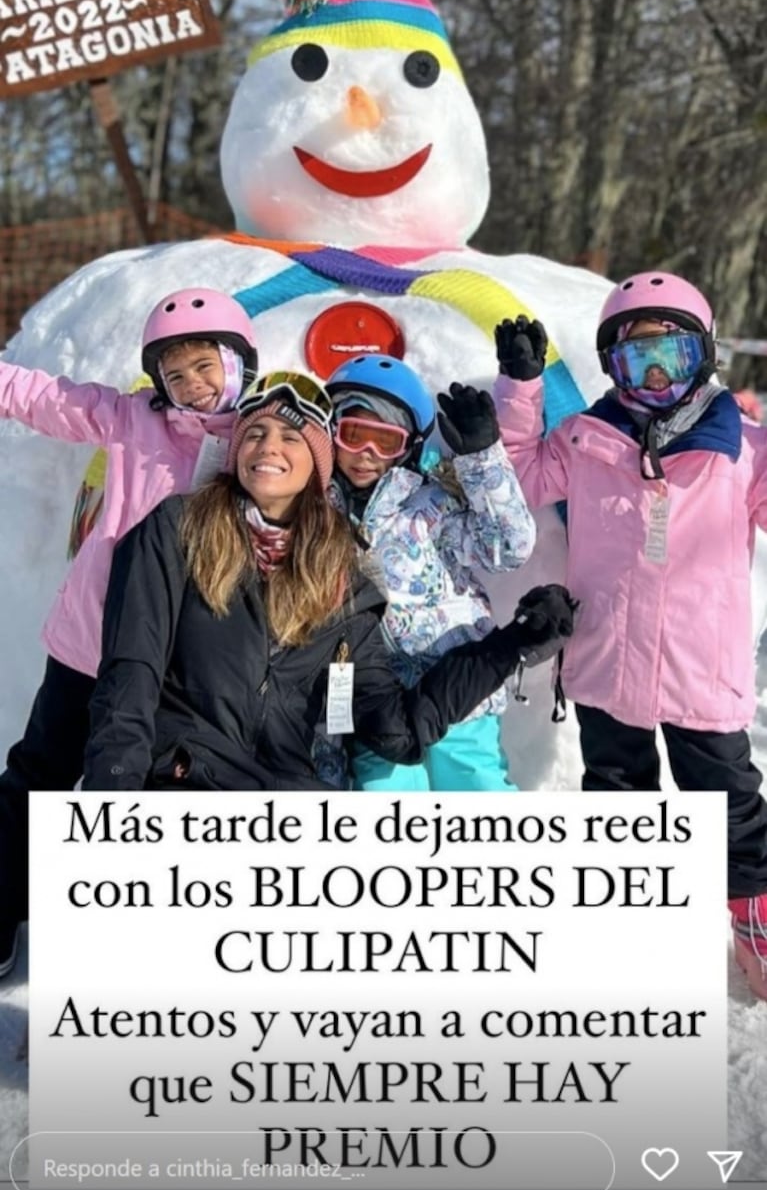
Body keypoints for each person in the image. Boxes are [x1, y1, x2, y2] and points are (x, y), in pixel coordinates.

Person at [82, 371, 574, 793]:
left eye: (291, 438)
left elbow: (397, 727)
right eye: (254, 434)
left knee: (474, 791)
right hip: (187, 786)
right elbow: (132, 670)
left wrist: (511, 644)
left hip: (308, 777)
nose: (269, 448)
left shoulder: (337, 567)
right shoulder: (179, 530)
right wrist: (118, 796)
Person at [494, 271, 767, 1001]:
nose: (650, 375)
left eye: (668, 357)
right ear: (609, 365)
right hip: (607, 658)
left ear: (702, 356)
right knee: (616, 792)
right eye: (631, 359)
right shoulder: (585, 435)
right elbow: (519, 479)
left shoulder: (743, 445)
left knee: (729, 803)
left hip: (698, 666)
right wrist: (520, 390)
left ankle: (755, 924)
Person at [0, 288, 257, 976]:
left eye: (206, 365)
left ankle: (134, 953)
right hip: (92, 642)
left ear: (239, 361)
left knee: (152, 800)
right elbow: (43, 396)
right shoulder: (132, 420)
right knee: (38, 775)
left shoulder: (261, 440)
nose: (192, 385)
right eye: (175, 376)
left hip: (179, 665)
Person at [325, 355, 536, 791]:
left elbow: (508, 548)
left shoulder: (430, 505)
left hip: (455, 692)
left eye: (385, 441)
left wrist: (483, 460)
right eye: (354, 435)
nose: (366, 455)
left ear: (409, 446)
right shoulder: (316, 513)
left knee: (476, 791)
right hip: (376, 703)